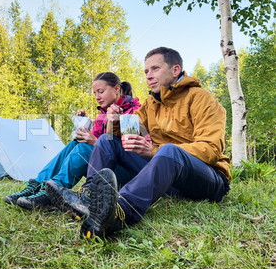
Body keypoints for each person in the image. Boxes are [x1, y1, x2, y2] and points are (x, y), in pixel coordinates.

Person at [73, 47, 231, 238]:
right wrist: (116, 121)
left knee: (169, 151)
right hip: (169, 179)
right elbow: (128, 133)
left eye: (155, 69)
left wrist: (155, 150)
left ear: (175, 70)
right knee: (108, 141)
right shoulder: (150, 104)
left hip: (208, 180)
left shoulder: (202, 99)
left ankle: (119, 212)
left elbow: (211, 150)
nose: (148, 76)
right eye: (146, 71)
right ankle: (90, 197)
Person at [4, 72, 142, 213]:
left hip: (123, 174)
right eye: (95, 93)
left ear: (117, 89)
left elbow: (132, 152)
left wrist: (95, 141)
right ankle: (37, 185)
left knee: (83, 148)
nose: (97, 97)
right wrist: (84, 125)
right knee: (75, 144)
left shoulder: (134, 111)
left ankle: (53, 190)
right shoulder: (102, 114)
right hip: (105, 166)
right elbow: (92, 142)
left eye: (101, 92)